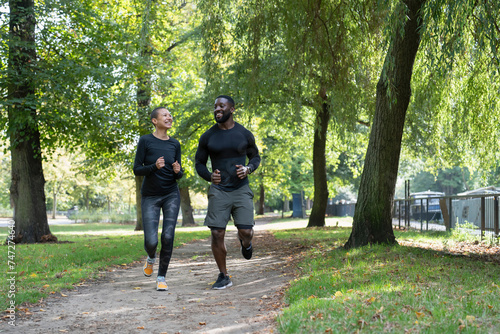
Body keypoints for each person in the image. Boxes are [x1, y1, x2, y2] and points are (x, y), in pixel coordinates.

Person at [195, 95, 261, 290]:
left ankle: (246, 243)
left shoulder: (244, 134)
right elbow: (199, 163)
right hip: (219, 190)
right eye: (215, 106)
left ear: (231, 109)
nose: (217, 109)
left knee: (246, 231)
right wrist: (209, 176)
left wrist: (248, 169)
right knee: (216, 232)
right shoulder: (208, 136)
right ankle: (223, 275)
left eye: (221, 106)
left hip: (241, 189)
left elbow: (255, 157)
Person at [133, 107, 183, 291]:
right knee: (151, 241)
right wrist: (154, 167)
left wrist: (179, 172)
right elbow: (137, 169)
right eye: (165, 115)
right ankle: (151, 258)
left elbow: (178, 173)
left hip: (171, 194)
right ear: (155, 120)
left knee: (168, 236)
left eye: (170, 115)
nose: (169, 117)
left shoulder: (175, 144)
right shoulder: (145, 140)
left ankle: (161, 277)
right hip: (150, 196)